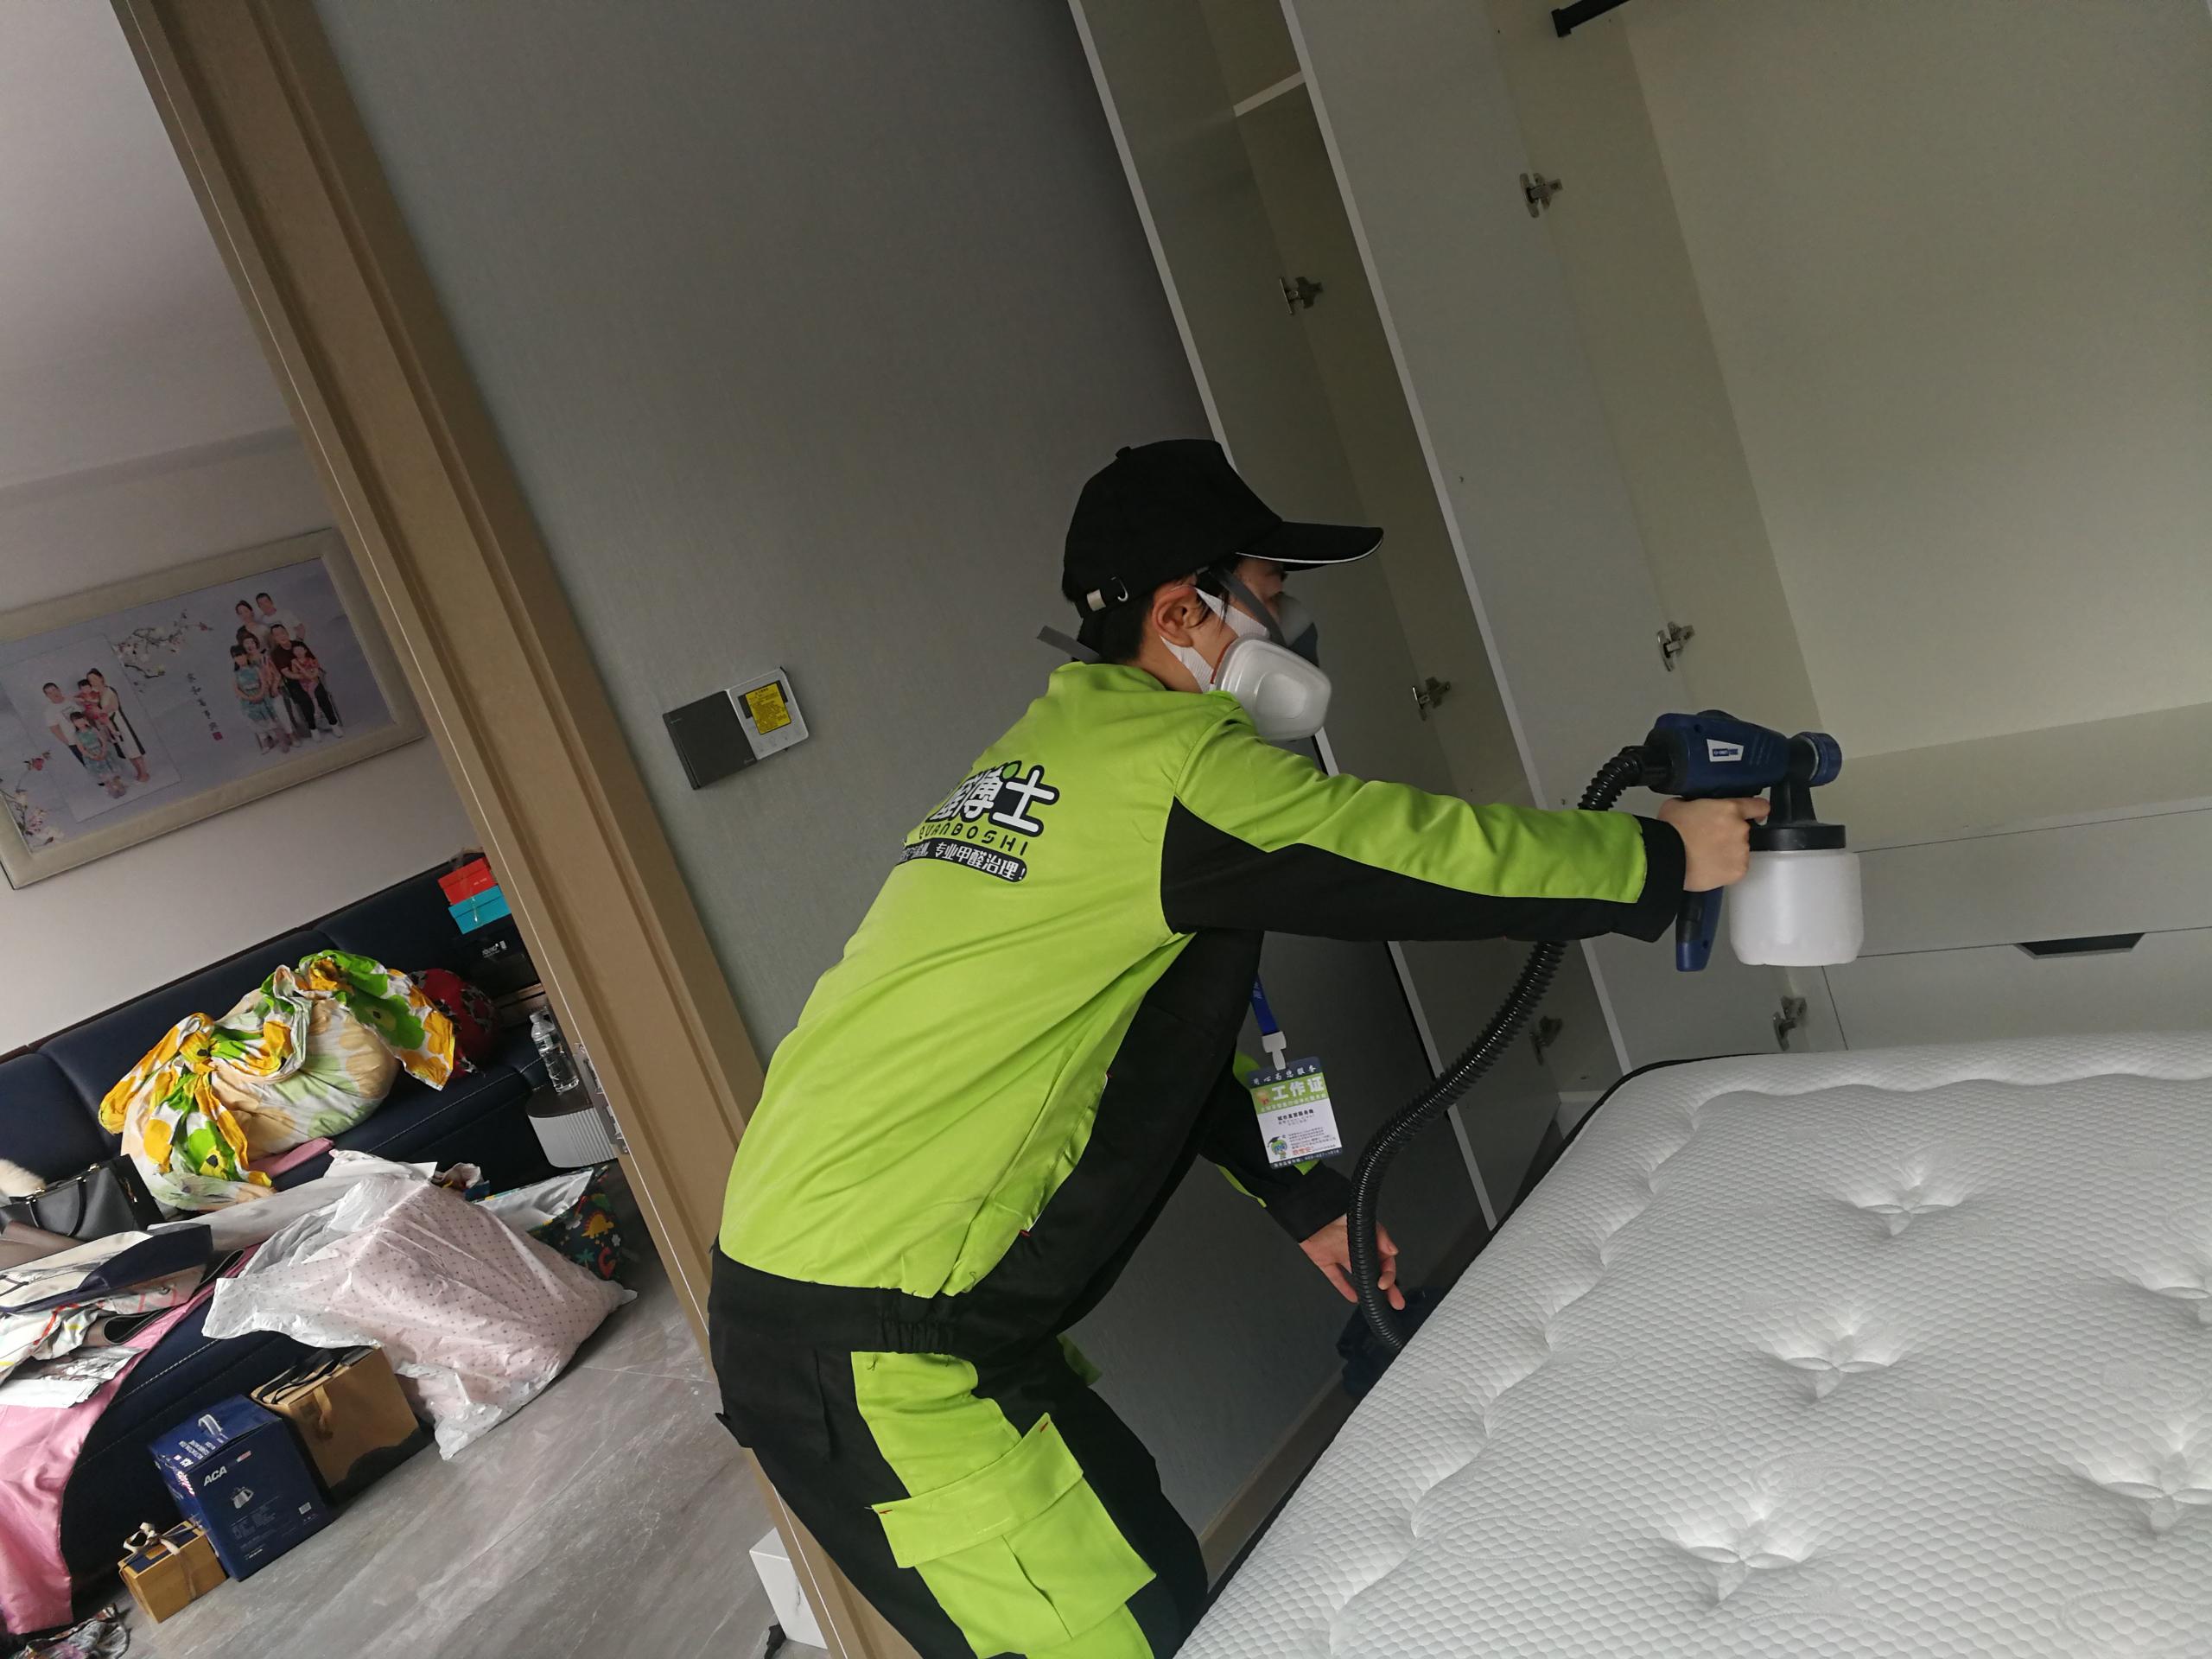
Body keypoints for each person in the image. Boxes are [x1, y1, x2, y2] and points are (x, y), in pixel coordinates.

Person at [707, 440, 1765, 1659]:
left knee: (1151, 1576)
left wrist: (1297, 1193)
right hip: (874, 1342)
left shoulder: (1053, 757)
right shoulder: (1173, 774)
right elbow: (1403, 855)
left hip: (871, 1301)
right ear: (1181, 613)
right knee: (1114, 1638)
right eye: (1271, 589)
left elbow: (1140, 1050)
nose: (1291, 621)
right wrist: (1660, 857)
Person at [83, 669, 150, 784]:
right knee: (127, 751)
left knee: (133, 748)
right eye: (90, 680)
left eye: (94, 678)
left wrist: (100, 711)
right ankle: (138, 772)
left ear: (101, 677)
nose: (93, 681)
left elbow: (115, 706)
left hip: (120, 723)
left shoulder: (109, 690)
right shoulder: (95, 695)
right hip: (110, 726)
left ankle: (144, 773)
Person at [265, 626, 319, 738]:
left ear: (287, 632)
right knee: (303, 698)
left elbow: (314, 662)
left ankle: (331, 722)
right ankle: (312, 728)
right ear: (274, 638)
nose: (281, 636)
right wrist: (302, 676)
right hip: (294, 681)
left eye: (282, 633)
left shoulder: (299, 644)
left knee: (320, 691)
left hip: (311, 675)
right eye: (277, 635)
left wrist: (312, 674)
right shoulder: (275, 653)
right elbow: (286, 673)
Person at [232, 641, 286, 753]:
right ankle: (265, 742)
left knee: (272, 720)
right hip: (249, 701)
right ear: (234, 659)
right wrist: (249, 698)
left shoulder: (256, 668)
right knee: (256, 722)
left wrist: (261, 694)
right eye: (236, 656)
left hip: (262, 697)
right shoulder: (236, 674)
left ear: (246, 655)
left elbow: (263, 682)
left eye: (241, 655)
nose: (240, 658)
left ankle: (282, 740)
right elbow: (236, 690)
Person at [281, 642, 342, 739]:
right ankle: (313, 729)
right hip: (303, 684)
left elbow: (313, 674)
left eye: (300, 650)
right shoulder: (294, 661)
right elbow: (295, 673)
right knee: (304, 701)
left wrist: (303, 671)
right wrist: (296, 665)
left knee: (320, 695)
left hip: (314, 682)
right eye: (296, 651)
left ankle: (333, 723)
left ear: (305, 651)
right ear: (293, 653)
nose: (299, 652)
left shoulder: (310, 660)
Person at [69, 710, 125, 798]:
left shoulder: (92, 729)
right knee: (104, 777)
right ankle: (112, 792)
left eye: (80, 719)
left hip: (102, 752)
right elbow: (81, 749)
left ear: (84, 719)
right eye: (76, 721)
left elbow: (103, 740)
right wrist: (92, 756)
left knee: (113, 774)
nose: (79, 722)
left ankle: (121, 788)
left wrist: (103, 751)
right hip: (91, 757)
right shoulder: (77, 735)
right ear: (73, 723)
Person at [38, 683, 86, 769]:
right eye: (49, 693)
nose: (54, 693)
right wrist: (68, 743)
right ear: (47, 696)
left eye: (54, 690)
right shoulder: (49, 711)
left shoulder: (70, 700)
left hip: (88, 735)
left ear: (59, 690)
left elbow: (84, 715)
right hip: (74, 742)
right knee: (90, 765)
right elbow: (55, 729)